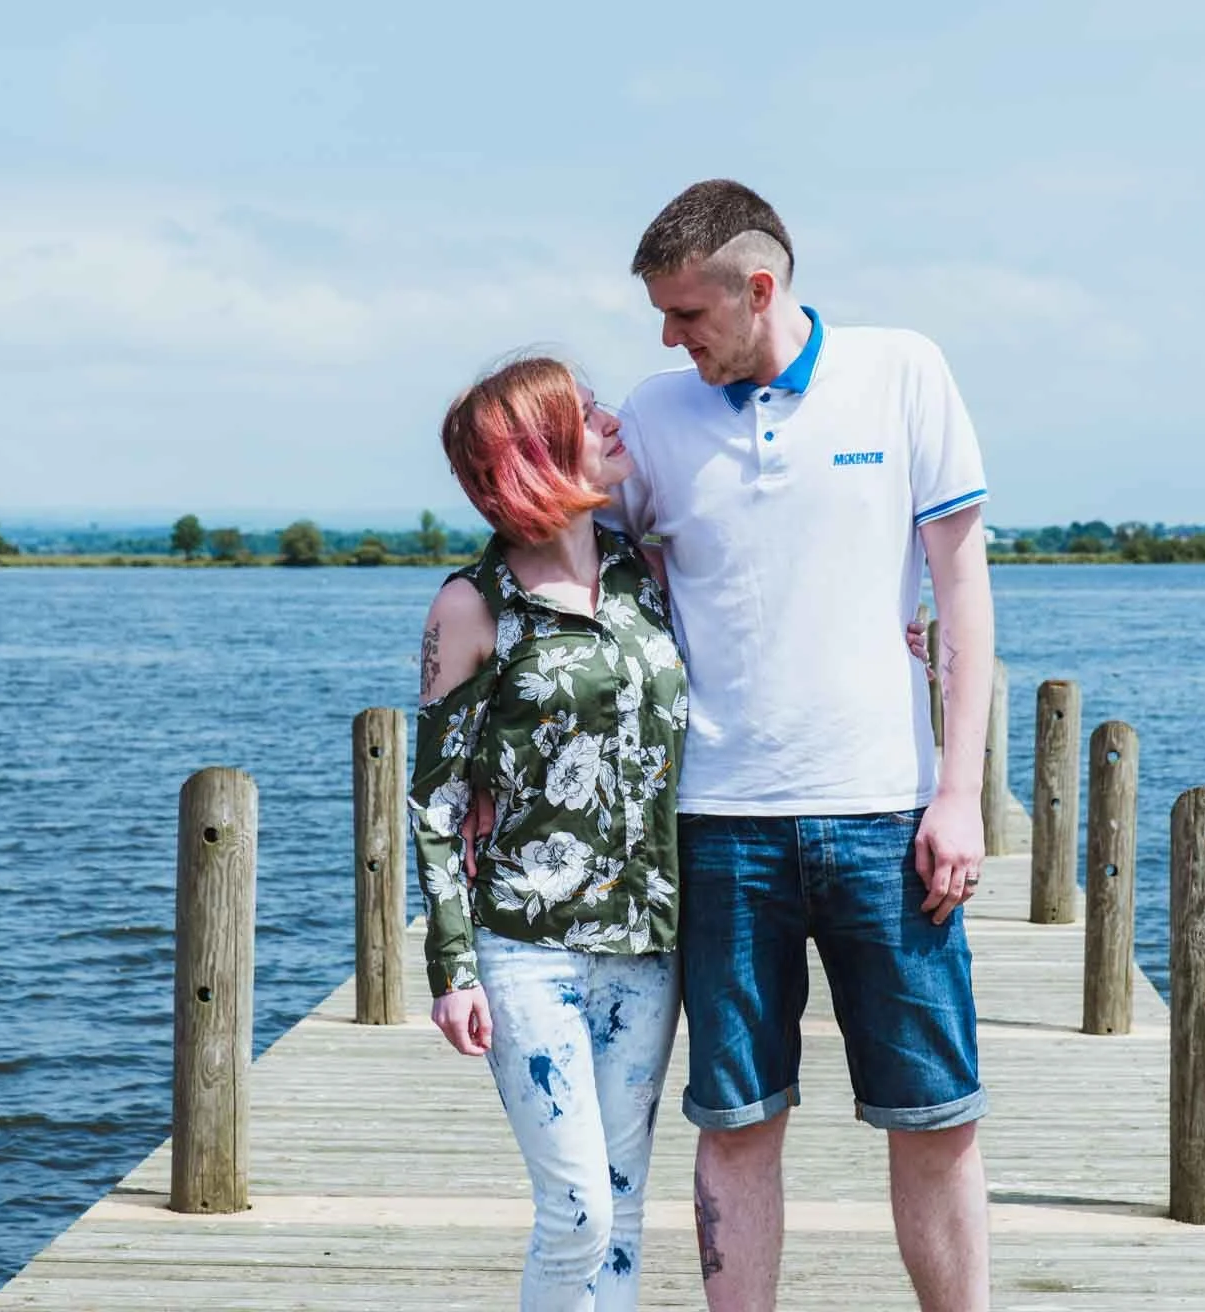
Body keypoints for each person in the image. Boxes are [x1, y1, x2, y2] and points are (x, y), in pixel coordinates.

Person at [601, 179, 998, 1312]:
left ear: (758, 286)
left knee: (932, 1113)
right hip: (716, 820)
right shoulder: (655, 411)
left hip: (884, 811)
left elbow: (960, 587)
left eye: (686, 314)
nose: (669, 339)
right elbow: (582, 582)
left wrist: (956, 795)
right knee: (734, 1119)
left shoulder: (901, 371)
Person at [407, 356, 689, 1311]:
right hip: (526, 949)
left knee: (622, 1205)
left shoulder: (647, 575)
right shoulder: (471, 607)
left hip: (648, 944)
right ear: (534, 453)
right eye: (584, 414)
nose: (612, 421)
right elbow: (436, 803)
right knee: (574, 1212)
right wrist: (452, 969)